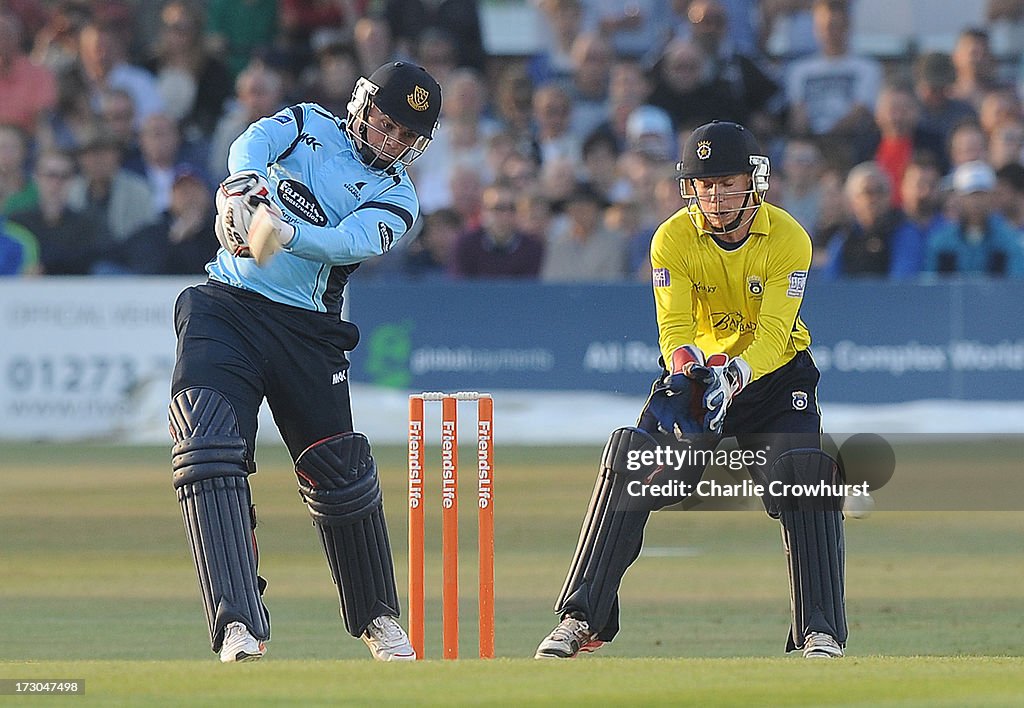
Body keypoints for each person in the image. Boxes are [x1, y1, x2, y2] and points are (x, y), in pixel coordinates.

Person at [535, 121, 848, 660]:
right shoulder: (672, 238)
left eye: (727, 182)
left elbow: (775, 334)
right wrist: (687, 368)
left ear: (755, 182)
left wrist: (739, 372)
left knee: (806, 476)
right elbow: (674, 329)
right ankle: (580, 619)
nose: (716, 196)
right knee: (632, 461)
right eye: (705, 185)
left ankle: (818, 632)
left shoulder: (789, 237)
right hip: (699, 377)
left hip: (773, 379)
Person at [169, 61, 442, 663]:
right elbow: (252, 140)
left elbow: (349, 242)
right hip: (229, 307)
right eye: (385, 121)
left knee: (339, 476)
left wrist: (284, 232)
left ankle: (377, 618)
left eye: (406, 135)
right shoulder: (307, 123)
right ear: (362, 104)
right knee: (207, 447)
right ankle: (238, 622)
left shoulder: (398, 197)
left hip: (308, 331)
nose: (391, 139)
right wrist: (242, 185)